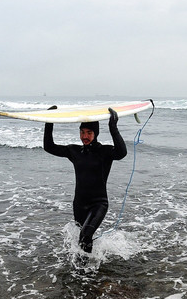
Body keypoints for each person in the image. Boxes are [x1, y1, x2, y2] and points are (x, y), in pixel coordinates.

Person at [43, 108, 127, 253]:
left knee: (85, 235)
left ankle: (85, 273)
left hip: (98, 203)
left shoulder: (105, 152)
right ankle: (89, 264)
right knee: (83, 240)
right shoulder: (74, 151)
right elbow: (49, 146)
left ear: (96, 134)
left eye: (89, 133)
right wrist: (49, 121)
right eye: (82, 132)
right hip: (79, 205)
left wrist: (113, 127)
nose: (85, 136)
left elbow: (122, 153)